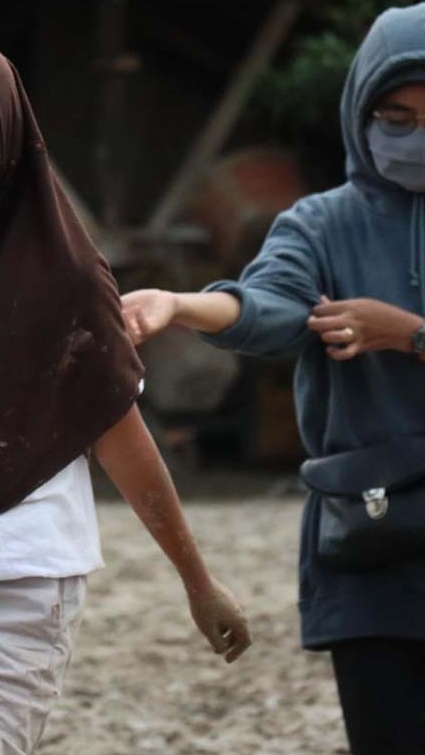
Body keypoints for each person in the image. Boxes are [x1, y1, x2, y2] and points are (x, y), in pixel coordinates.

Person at [0, 36, 251, 755]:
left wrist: (197, 580)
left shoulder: (64, 279)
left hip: (19, 577)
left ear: (6, 141)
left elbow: (118, 436)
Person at [121, 6, 425, 754]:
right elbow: (269, 308)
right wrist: (179, 306)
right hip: (371, 543)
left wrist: (407, 333)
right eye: (396, 115)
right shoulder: (321, 225)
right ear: (361, 112)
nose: (415, 137)